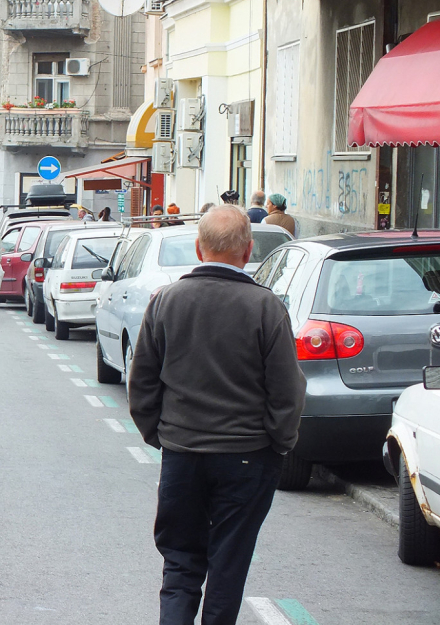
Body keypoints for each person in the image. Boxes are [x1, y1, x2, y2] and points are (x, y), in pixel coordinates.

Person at [129, 204, 306, 625]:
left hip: (183, 453)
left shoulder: (166, 301)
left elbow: (143, 382)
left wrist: (161, 435)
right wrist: (278, 446)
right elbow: (287, 389)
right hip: (247, 456)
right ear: (247, 251)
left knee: (180, 563)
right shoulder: (266, 308)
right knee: (228, 566)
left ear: (198, 248)